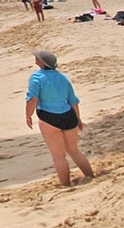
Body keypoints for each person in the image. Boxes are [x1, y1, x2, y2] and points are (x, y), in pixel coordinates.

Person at [24, 50, 94, 188]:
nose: (35, 59)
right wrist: (78, 119)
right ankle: (91, 176)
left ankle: (65, 184)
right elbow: (73, 101)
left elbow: (32, 99)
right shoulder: (63, 77)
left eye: (37, 58)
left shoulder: (37, 77)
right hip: (69, 115)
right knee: (74, 150)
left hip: (48, 117)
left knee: (58, 155)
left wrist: (28, 115)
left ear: (41, 62)